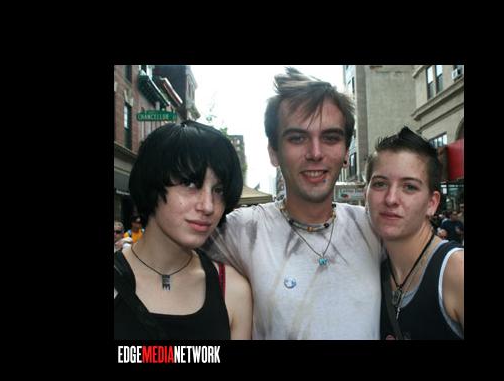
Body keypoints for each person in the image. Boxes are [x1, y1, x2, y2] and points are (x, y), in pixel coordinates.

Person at [204, 67, 382, 339]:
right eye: (297, 138)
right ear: (273, 152)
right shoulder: (242, 232)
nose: (315, 153)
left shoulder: (375, 228)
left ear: (347, 151)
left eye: (330, 138)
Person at [114, 121, 253, 340]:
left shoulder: (232, 290)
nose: (208, 206)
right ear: (152, 182)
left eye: (218, 190)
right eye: (190, 184)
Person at [365, 126, 464, 340]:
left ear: (432, 203)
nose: (391, 199)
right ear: (366, 193)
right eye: (380, 184)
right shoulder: (371, 270)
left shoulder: (456, 271)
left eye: (409, 187)